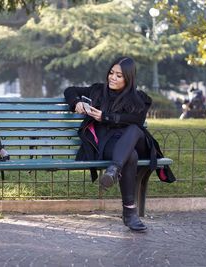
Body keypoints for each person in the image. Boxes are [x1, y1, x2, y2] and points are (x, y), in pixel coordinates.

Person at [64, 56, 175, 231]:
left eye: (119, 76)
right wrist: (75, 102)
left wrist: (104, 117)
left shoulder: (139, 98)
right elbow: (70, 90)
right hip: (109, 145)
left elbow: (136, 119)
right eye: (111, 73)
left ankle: (114, 169)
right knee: (130, 156)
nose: (112, 78)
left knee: (135, 129)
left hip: (135, 141)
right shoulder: (98, 91)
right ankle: (129, 212)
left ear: (128, 79)